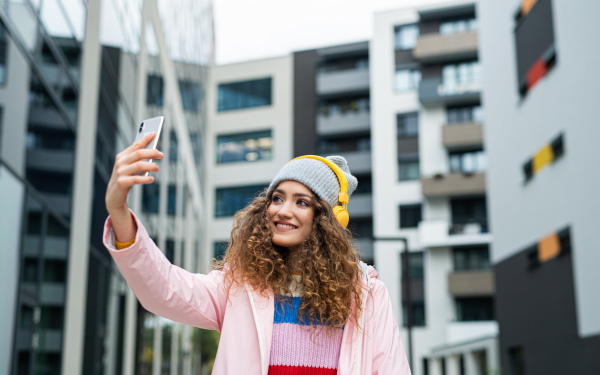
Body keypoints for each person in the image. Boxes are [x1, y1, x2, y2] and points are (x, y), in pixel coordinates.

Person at [103, 132, 412, 375]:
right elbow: (164, 289)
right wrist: (118, 209)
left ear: (329, 218)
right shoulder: (240, 286)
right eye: (277, 198)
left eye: (301, 202)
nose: (283, 211)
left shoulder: (366, 292)